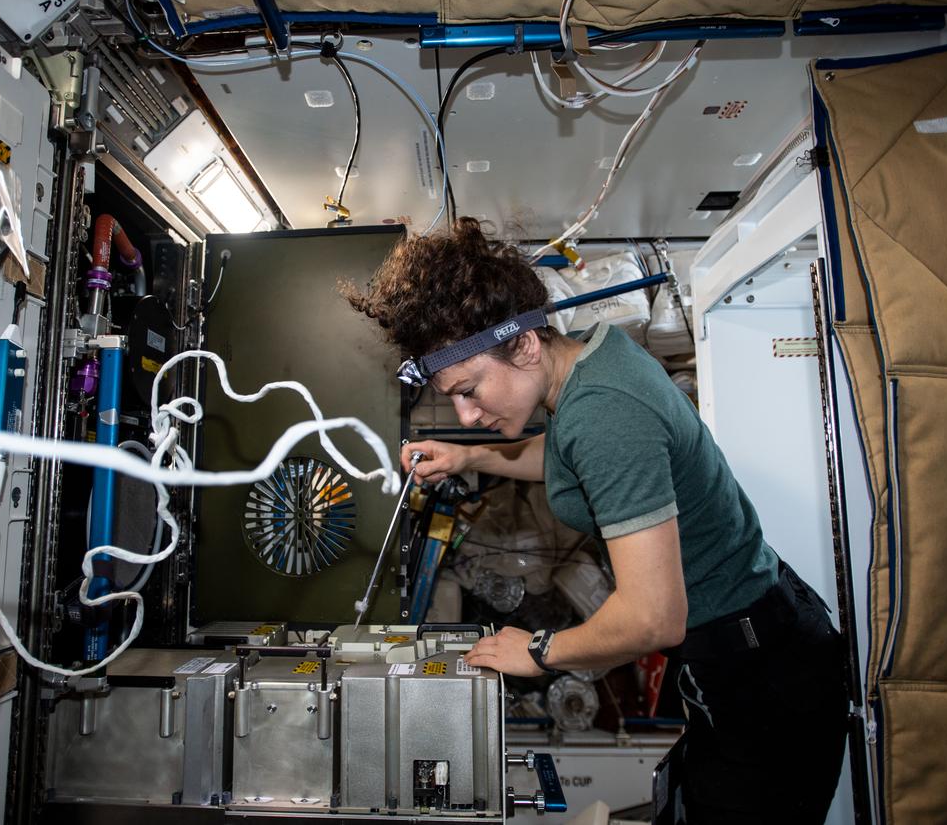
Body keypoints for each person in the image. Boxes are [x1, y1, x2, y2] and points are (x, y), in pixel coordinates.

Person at [345, 217, 849, 823]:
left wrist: (538, 651)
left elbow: (652, 619)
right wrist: (470, 455)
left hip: (762, 670)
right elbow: (572, 460)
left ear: (525, 345)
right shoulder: (588, 360)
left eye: (471, 389)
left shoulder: (603, 413)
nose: (467, 412)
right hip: (748, 642)